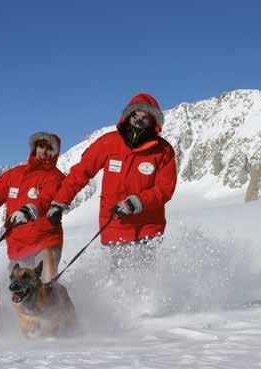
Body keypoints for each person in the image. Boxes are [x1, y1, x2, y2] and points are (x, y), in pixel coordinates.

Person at [47, 93, 177, 268]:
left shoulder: (163, 151)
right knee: (119, 281)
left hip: (148, 228)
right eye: (135, 116)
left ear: (153, 122)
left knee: (144, 281)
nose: (138, 122)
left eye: (145, 118)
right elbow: (81, 172)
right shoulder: (108, 143)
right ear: (128, 116)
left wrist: (138, 201)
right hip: (116, 225)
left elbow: (165, 188)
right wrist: (59, 202)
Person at [0, 132, 65, 282]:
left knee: (45, 289)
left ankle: (62, 305)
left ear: (55, 152)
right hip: (18, 247)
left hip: (45, 243)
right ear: (35, 148)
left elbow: (47, 198)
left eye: (49, 148)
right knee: (19, 295)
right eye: (41, 146)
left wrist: (31, 210)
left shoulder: (55, 177)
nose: (44, 151)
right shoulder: (17, 174)